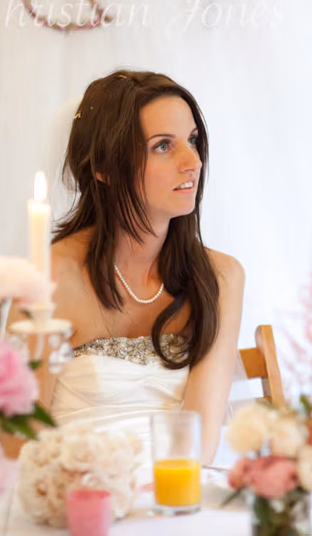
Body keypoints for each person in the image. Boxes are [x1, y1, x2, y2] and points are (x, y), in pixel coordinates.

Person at [33, 70, 244, 465]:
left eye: (193, 140)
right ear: (105, 169)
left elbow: (199, 444)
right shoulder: (52, 276)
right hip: (77, 507)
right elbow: (21, 440)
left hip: (175, 502)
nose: (193, 161)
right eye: (163, 146)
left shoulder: (221, 278)